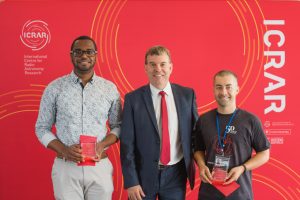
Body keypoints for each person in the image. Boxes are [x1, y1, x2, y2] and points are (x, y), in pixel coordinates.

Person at [35, 35, 122, 200]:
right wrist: (64, 150)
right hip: (66, 167)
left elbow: (118, 126)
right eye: (78, 52)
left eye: (89, 52)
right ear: (71, 55)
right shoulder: (54, 88)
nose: (84, 56)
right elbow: (41, 128)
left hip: (99, 166)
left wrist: (102, 144)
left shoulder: (109, 88)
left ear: (96, 55)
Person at [120, 45, 198, 200]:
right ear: (146, 68)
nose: (158, 69)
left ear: (170, 67)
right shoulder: (132, 99)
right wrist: (131, 181)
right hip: (143, 176)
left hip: (176, 175)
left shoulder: (187, 95)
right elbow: (127, 143)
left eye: (162, 64)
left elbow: (196, 134)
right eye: (153, 64)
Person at [193, 70, 270, 200]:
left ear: (237, 90)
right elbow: (198, 149)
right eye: (219, 87)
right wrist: (201, 165)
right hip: (209, 193)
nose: (223, 92)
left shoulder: (250, 120)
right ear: (213, 90)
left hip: (239, 194)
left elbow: (264, 154)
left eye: (228, 87)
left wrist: (242, 168)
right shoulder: (204, 119)